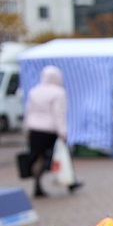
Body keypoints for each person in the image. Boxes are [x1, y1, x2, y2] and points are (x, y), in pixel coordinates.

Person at [23, 66, 82, 197]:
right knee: (62, 155)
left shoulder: (34, 91)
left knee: (38, 156)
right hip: (50, 129)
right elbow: (58, 114)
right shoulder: (58, 92)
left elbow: (28, 111)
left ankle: (37, 185)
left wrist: (26, 129)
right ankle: (70, 182)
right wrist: (63, 132)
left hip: (34, 128)